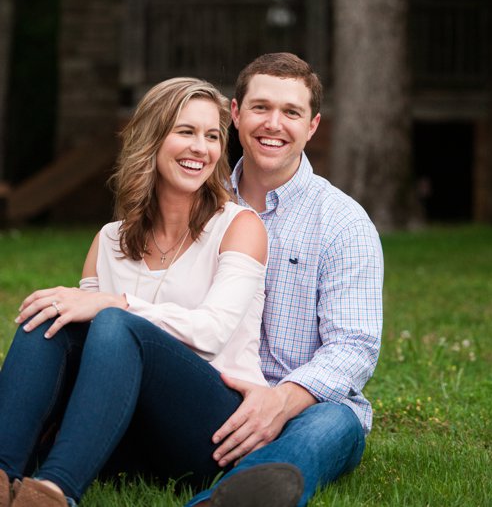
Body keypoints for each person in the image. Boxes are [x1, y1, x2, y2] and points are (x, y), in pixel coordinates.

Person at [0, 78, 277, 507]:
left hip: (214, 430)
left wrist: (118, 303)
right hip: (122, 431)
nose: (200, 149)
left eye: (212, 136)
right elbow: (82, 351)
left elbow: (212, 331)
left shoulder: (239, 227)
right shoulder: (109, 240)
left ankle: (52, 493)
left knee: (114, 323)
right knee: (51, 315)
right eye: (185, 132)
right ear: (152, 137)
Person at [185, 53, 383, 507]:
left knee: (334, 423)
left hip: (306, 404)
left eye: (291, 112)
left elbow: (354, 346)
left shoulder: (343, 222)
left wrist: (279, 402)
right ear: (234, 114)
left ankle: (232, 498)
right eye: (260, 107)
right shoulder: (196, 204)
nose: (274, 123)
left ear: (311, 126)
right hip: (212, 392)